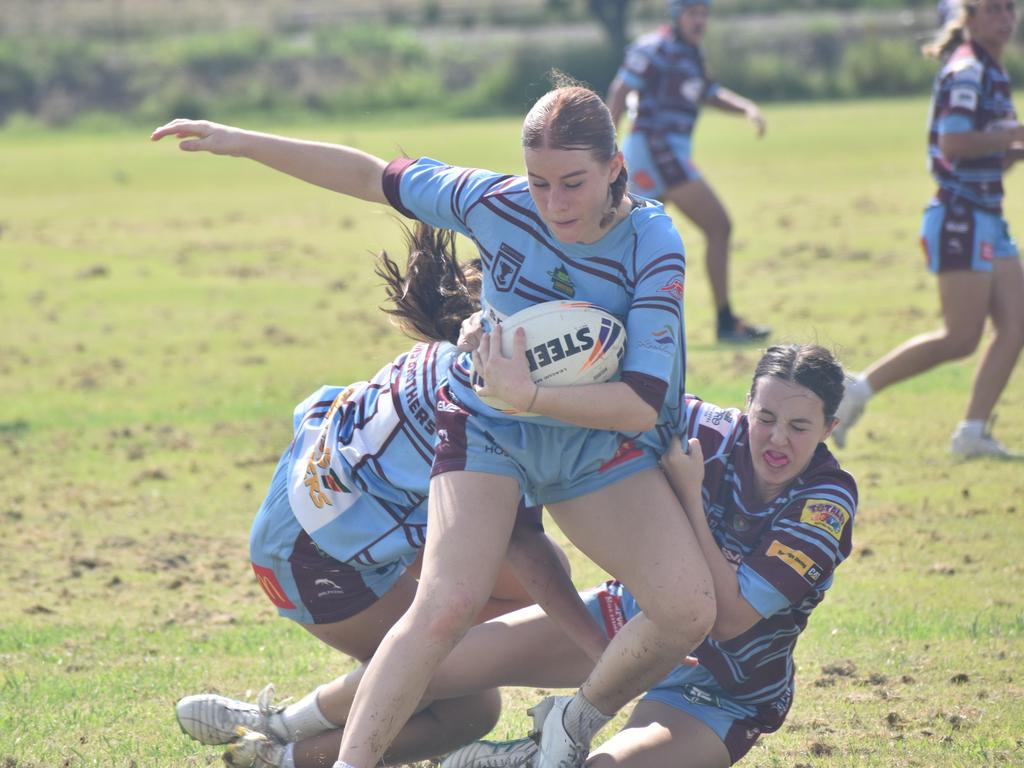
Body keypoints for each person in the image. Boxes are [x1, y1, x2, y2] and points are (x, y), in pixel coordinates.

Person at [153, 77, 715, 768]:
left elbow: (642, 403)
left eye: (573, 183)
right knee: (446, 606)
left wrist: (529, 395)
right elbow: (368, 174)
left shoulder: (651, 240)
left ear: (615, 169)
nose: (554, 204)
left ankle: (571, 721)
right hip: (488, 432)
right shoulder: (494, 202)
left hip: (589, 439)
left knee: (687, 608)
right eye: (539, 183)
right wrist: (242, 142)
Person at [202, 343, 856, 768]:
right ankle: (276, 730)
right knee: (433, 661)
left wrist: (687, 495)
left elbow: (733, 617)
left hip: (722, 692)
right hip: (627, 623)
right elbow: (611, 405)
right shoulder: (705, 429)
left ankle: (507, 758)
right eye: (765, 416)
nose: (775, 437)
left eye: (799, 426)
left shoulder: (826, 503)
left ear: (830, 428)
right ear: (748, 405)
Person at [175, 222, 608, 768]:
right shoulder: (497, 392)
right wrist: (600, 650)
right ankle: (278, 748)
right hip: (314, 550)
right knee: (463, 701)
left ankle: (273, 729)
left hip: (311, 503)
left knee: (494, 614)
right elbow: (522, 542)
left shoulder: (469, 343)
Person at [832, 0, 1024, 458]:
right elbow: (953, 142)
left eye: (1010, 9)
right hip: (961, 215)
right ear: (970, 17)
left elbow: (986, 156)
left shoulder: (993, 71)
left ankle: (972, 433)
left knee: (1016, 324)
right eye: (993, 10)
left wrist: (1013, 149)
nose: (1006, 18)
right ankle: (857, 390)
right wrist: (1015, 135)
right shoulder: (968, 69)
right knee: (961, 337)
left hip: (986, 214)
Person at [606, 0, 770, 344]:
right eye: (693, 13)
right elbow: (621, 91)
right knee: (718, 225)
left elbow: (707, 93)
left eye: (704, 14)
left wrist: (746, 108)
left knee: (628, 237)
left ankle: (617, 321)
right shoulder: (654, 48)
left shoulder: (692, 55)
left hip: (666, 153)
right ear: (676, 16)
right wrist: (606, 147)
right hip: (656, 151)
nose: (700, 21)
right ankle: (725, 322)